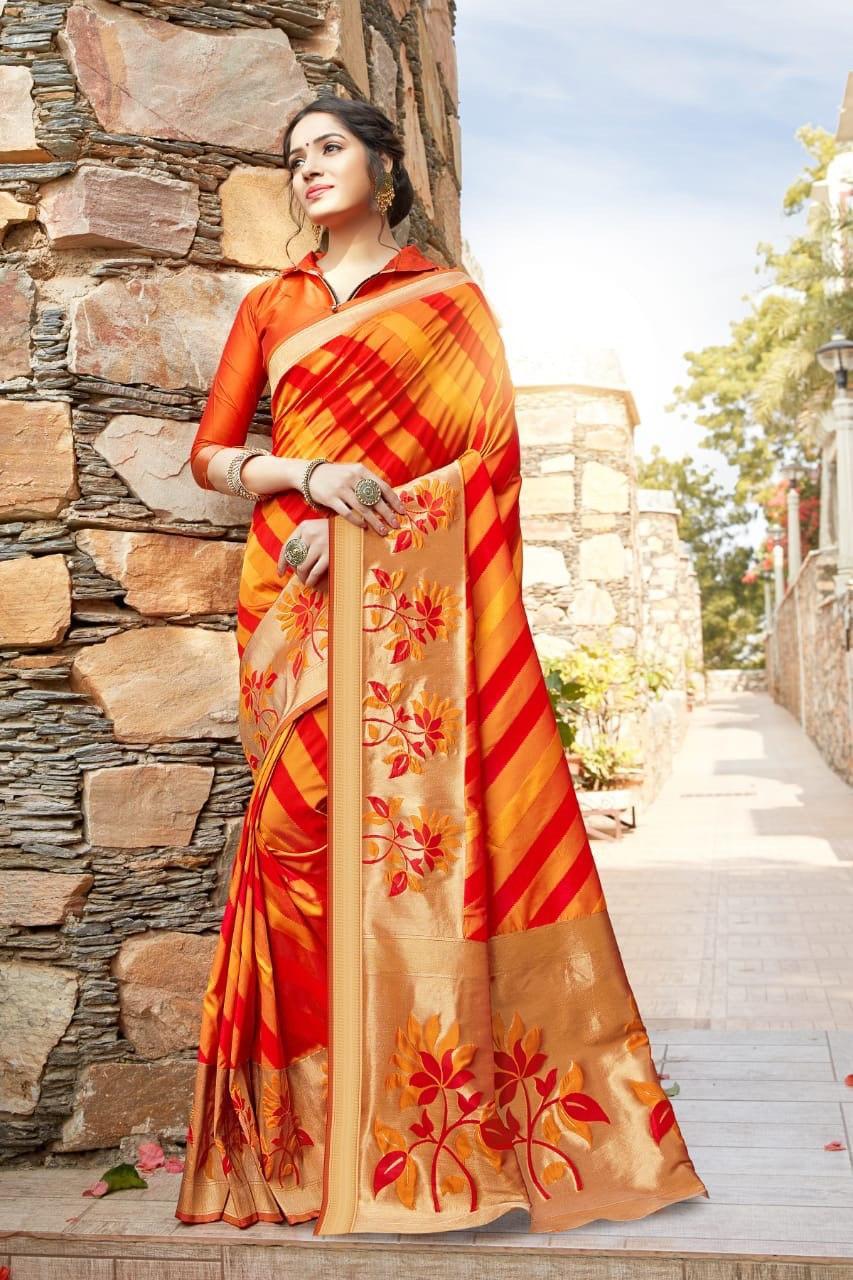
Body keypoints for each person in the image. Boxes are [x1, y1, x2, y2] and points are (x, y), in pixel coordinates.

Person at [174, 94, 709, 1236]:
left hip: (404, 618)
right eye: (294, 158)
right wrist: (307, 479)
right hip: (292, 608)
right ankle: (309, 1141)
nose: (308, 169)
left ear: (382, 163)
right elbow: (212, 455)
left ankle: (421, 1132)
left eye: (329, 148)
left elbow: (488, 464)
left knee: (416, 858)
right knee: (300, 848)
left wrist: (368, 530)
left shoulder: (450, 303)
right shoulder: (273, 305)